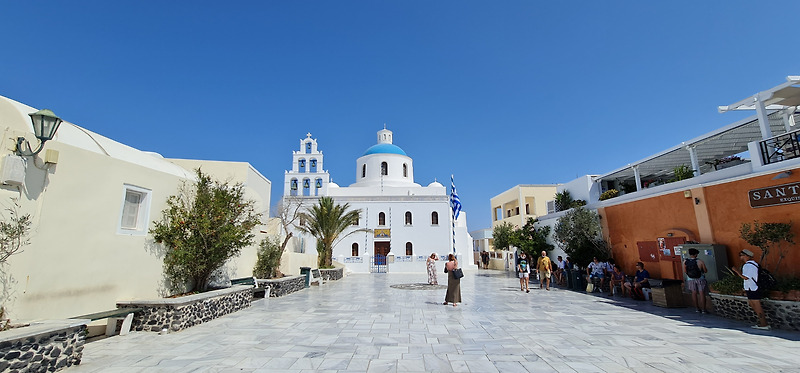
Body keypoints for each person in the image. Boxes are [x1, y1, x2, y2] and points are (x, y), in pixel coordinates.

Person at [730, 249, 769, 330]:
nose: (740, 257)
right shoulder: (750, 265)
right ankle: (762, 323)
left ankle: (764, 324)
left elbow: (746, 277)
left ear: (746, 256)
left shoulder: (749, 266)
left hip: (753, 288)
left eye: (741, 255)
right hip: (750, 288)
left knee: (757, 306)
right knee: (753, 304)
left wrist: (737, 271)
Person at [683, 248, 708, 313]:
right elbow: (705, 270)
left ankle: (697, 308)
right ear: (696, 254)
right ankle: (703, 309)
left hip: (690, 279)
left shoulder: (685, 261)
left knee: (694, 293)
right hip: (700, 278)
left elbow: (685, 271)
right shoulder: (700, 261)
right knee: (701, 293)